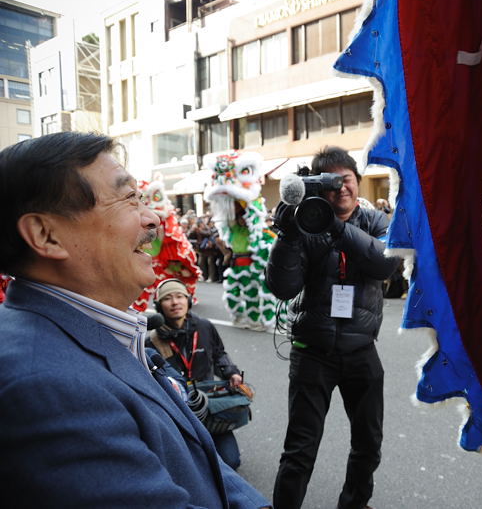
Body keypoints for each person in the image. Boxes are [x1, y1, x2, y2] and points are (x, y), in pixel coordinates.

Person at [0, 132, 270, 508]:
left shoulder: (101, 328)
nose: (152, 218)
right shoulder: (46, 387)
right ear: (46, 235)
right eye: (129, 198)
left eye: (141, 197)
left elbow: (210, 470)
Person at [266, 147, 400, 509]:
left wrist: (337, 228)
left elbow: (385, 264)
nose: (341, 189)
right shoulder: (304, 225)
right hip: (312, 353)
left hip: (361, 351)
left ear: (357, 183)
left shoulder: (374, 222)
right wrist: (289, 235)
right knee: (300, 449)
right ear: (318, 188)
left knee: (368, 444)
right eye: (331, 183)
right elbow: (283, 287)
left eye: (347, 181)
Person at [148, 278, 248, 469]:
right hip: (177, 410)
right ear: (159, 306)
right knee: (189, 467)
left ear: (189, 300)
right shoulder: (152, 341)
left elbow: (219, 354)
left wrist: (231, 373)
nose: (175, 302)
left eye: (180, 296)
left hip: (208, 405)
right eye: (168, 298)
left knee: (231, 461)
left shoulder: (204, 326)